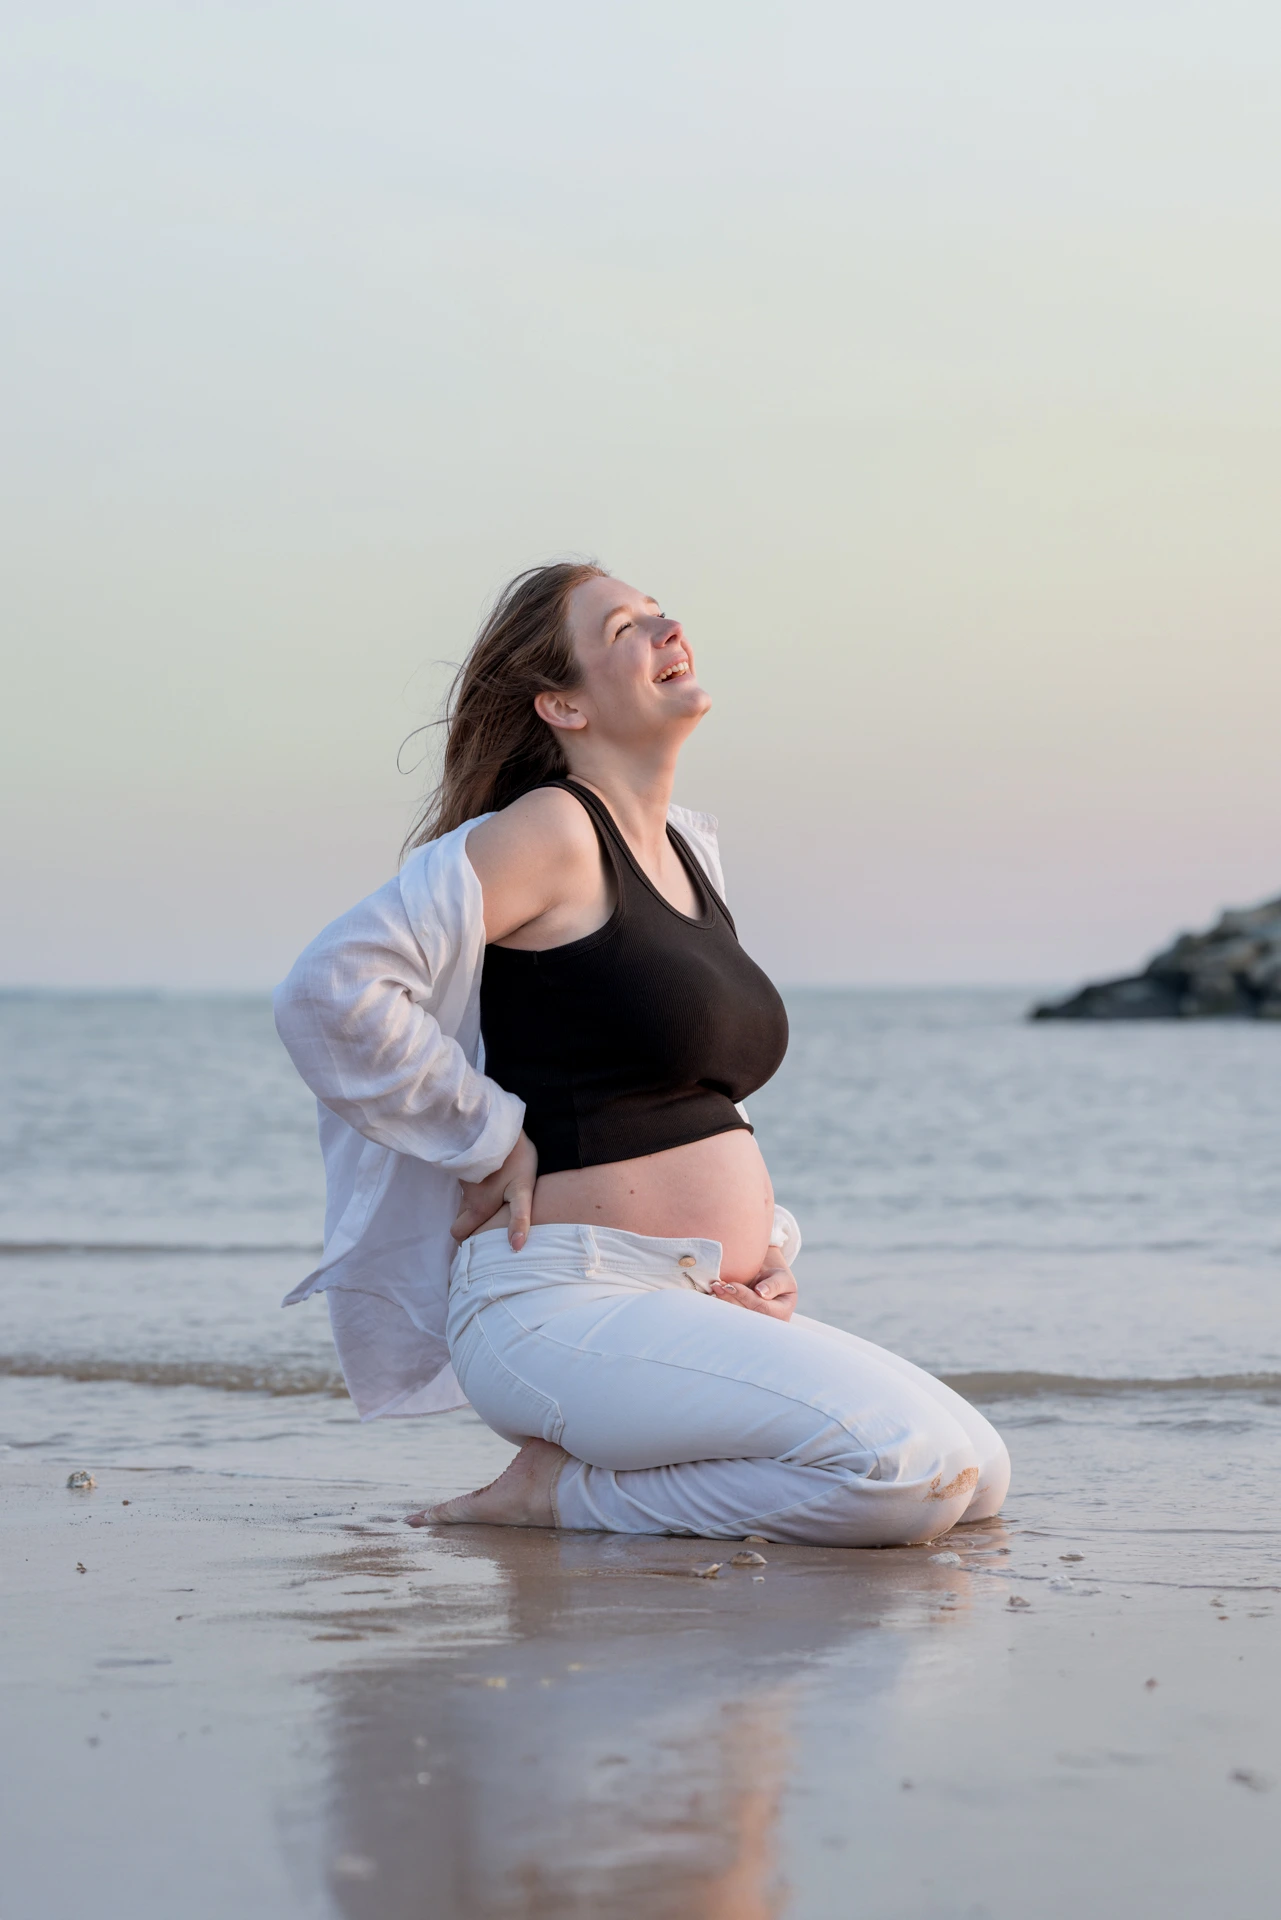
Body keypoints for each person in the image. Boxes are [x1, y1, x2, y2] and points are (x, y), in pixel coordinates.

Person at [275, 562, 1010, 1545]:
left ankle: (597, 1480)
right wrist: (487, 1138)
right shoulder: (553, 830)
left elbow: (684, 1100)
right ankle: (559, 1496)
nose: (667, 626)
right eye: (624, 625)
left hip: (693, 1296)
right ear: (562, 703)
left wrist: (766, 1248)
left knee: (982, 1475)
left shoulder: (688, 857)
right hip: (561, 1303)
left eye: (663, 611)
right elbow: (331, 989)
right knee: (902, 1470)